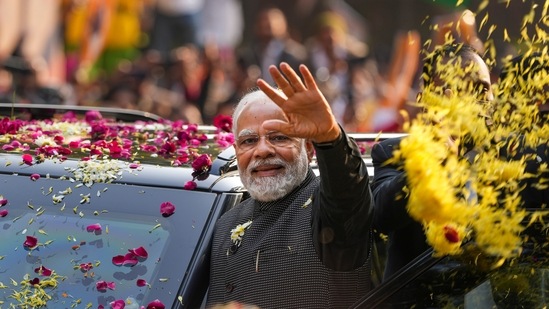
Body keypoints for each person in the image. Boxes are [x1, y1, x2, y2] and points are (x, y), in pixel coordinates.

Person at [206, 62, 374, 308]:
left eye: (279, 137)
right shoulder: (224, 224)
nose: (262, 150)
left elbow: (347, 193)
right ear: (236, 151)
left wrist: (329, 137)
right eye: (249, 140)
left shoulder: (327, 213)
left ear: (308, 147)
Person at [371, 43, 494, 281]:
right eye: (458, 87)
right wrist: (431, 160)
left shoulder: (513, 162)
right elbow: (380, 217)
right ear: (425, 99)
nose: (471, 100)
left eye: (481, 89)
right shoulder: (395, 152)